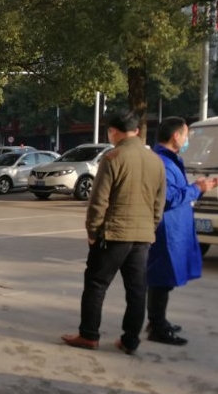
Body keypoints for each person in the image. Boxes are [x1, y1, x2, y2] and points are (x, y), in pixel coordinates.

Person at [62, 112, 166, 355]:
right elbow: (159, 202)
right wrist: (150, 227)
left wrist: (93, 230)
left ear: (113, 132)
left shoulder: (113, 158)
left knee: (96, 284)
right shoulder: (155, 161)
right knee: (137, 290)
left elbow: (99, 200)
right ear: (137, 131)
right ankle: (130, 340)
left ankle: (89, 335)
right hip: (142, 236)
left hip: (114, 234)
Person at [146, 117, 218, 345]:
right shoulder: (163, 163)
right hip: (167, 228)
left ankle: (158, 320)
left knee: (165, 279)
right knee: (161, 278)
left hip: (175, 226)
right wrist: (197, 188)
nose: (187, 140)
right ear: (176, 136)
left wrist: (198, 188)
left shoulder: (169, 159)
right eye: (186, 135)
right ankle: (157, 326)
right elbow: (169, 198)